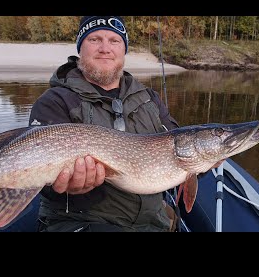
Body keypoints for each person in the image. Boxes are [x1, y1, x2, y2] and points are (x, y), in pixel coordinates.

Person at [29, 16, 218, 232]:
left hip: (152, 222)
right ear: (80, 48)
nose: (105, 48)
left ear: (123, 49)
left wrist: (204, 162)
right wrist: (64, 185)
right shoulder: (55, 101)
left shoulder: (150, 99)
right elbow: (38, 181)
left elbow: (180, 156)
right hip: (80, 223)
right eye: (94, 39)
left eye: (114, 41)